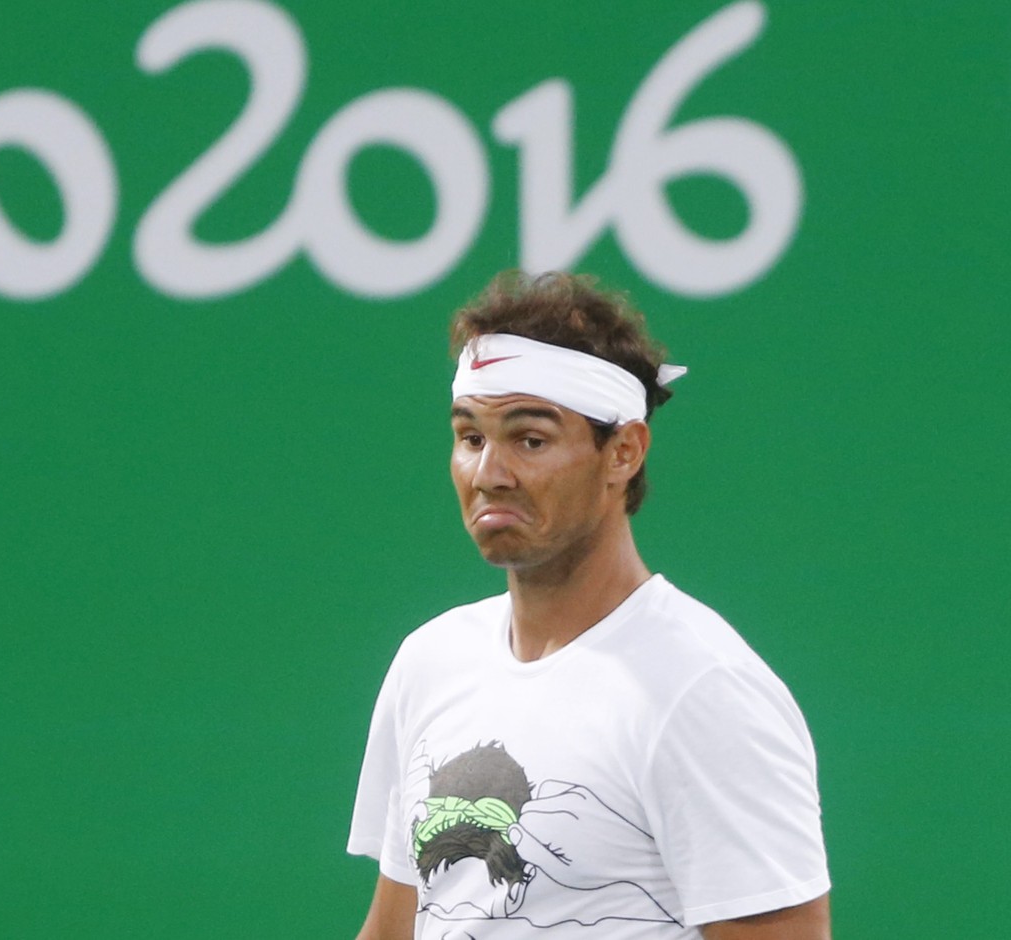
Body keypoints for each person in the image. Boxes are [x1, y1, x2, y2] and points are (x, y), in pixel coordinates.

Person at [348, 271, 830, 940]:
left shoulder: (702, 690)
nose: (490, 473)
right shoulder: (430, 661)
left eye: (531, 439)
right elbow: (396, 927)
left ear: (623, 451)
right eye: (471, 437)